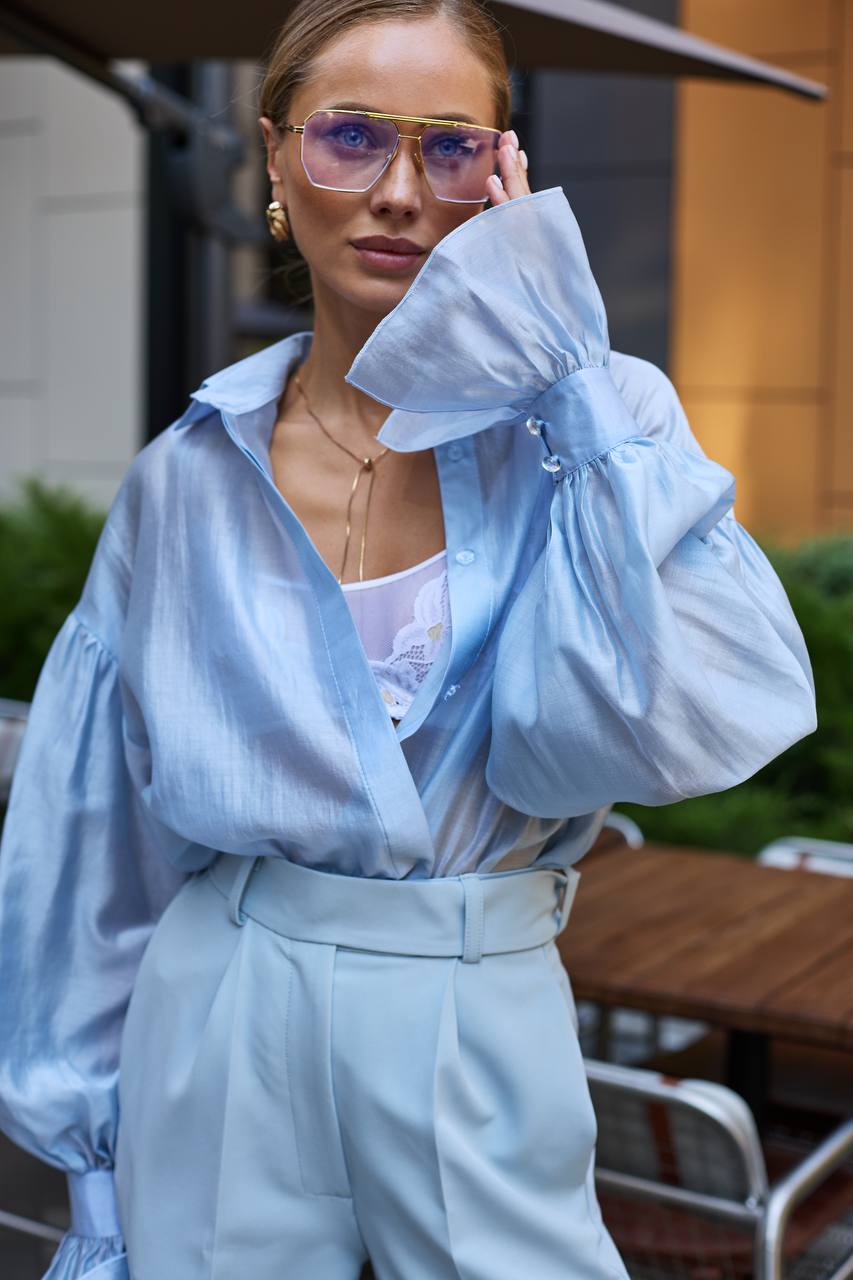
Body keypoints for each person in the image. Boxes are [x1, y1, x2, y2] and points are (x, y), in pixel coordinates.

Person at [0, 0, 818, 1277]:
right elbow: (98, 832)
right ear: (274, 155)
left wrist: (562, 363)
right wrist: (92, 1171)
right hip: (224, 992)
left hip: (474, 988)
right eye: (350, 136)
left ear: (504, 173)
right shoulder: (185, 478)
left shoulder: (595, 428)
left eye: (449, 146)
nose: (396, 191)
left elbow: (652, 724)